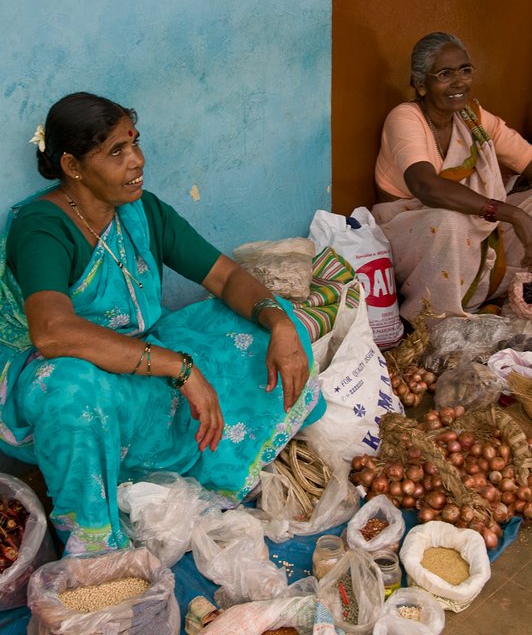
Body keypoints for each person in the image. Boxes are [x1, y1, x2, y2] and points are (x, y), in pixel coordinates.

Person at [0, 92, 325, 554]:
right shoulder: (43, 226)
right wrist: (181, 368)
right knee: (71, 391)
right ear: (72, 166)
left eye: (134, 143)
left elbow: (225, 275)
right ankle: (93, 546)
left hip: (142, 354)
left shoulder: (141, 211)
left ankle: (211, 472)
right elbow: (51, 332)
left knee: (269, 324)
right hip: (67, 373)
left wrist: (279, 323)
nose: (137, 161)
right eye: (116, 151)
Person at [372, 32, 532, 322]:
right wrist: (511, 215)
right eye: (445, 74)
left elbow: (527, 159)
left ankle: (506, 290)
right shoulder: (405, 118)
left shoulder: (473, 118)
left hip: (477, 229)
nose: (459, 82)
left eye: (465, 70)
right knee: (449, 221)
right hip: (414, 239)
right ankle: (439, 320)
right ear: (421, 85)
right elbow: (426, 187)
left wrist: (518, 215)